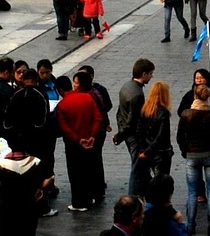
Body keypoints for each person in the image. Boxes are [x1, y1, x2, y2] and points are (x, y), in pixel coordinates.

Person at [177, 82, 210, 229]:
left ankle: (190, 224)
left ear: (195, 96)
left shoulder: (186, 114)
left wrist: (185, 150)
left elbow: (180, 137)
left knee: (192, 192)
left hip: (192, 155)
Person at [57, 70, 104, 214]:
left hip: (74, 144)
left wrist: (78, 139)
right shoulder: (88, 98)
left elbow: (64, 127)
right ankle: (90, 198)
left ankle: (79, 202)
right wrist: (91, 136)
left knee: (75, 173)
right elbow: (98, 118)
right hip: (89, 141)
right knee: (88, 169)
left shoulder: (62, 105)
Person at [115, 58, 156, 196]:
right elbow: (133, 120)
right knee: (138, 167)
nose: (151, 76)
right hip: (135, 136)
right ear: (144, 74)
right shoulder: (137, 94)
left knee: (142, 167)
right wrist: (120, 135)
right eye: (150, 74)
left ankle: (149, 191)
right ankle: (132, 197)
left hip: (127, 133)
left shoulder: (126, 86)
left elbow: (120, 112)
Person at [133, 81, 175, 201]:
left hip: (147, 151)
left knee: (149, 179)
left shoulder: (145, 110)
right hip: (161, 153)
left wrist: (144, 149)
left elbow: (139, 131)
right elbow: (162, 136)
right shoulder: (163, 113)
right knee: (162, 182)